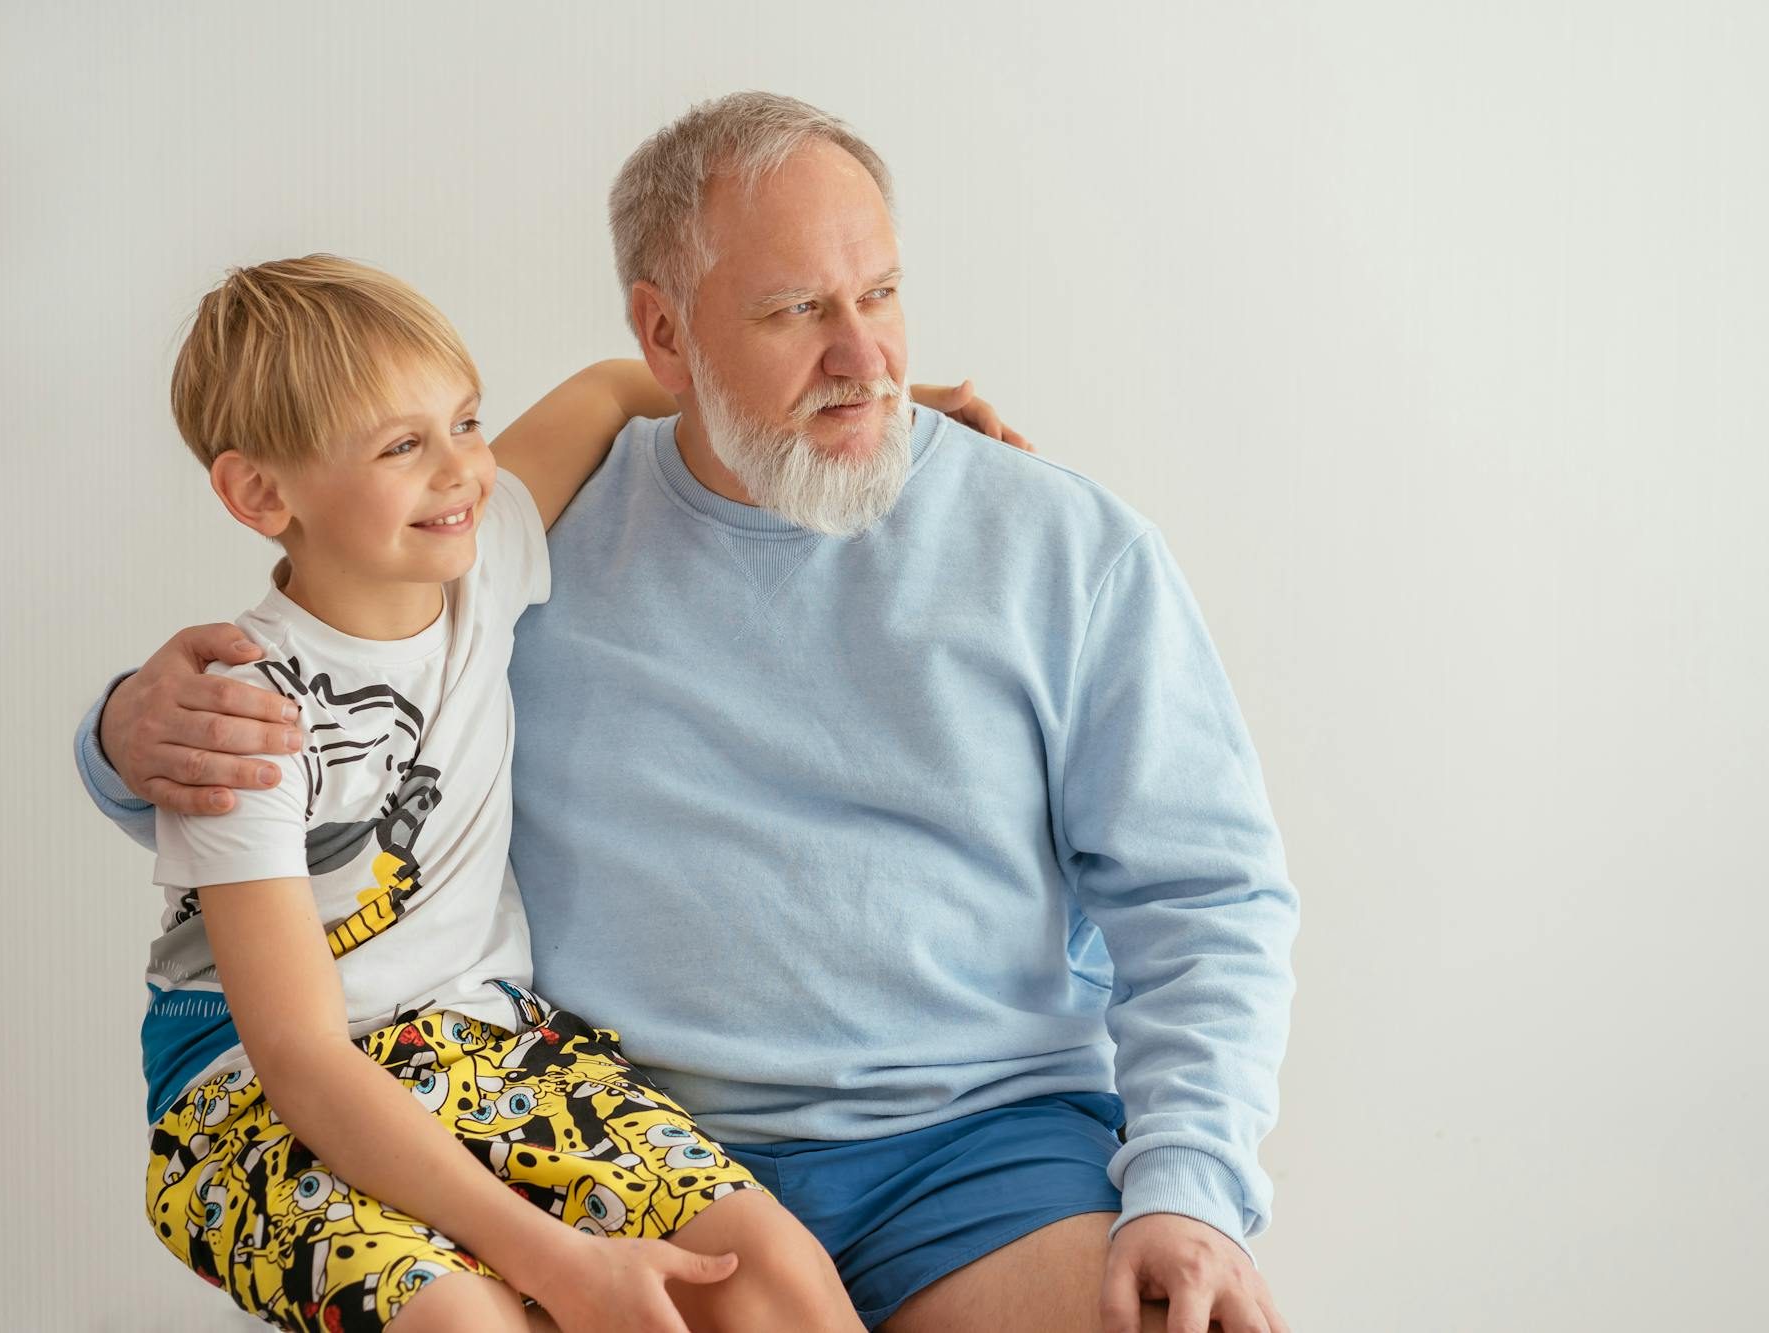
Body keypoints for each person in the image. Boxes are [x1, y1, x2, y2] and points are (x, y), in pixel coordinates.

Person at [80, 94, 1297, 1333]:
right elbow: (321, 735)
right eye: (791, 313)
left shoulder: (1061, 544)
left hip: (973, 1157)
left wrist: (1190, 1187)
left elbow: (1205, 894)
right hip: (600, 1141)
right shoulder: (516, 548)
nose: (861, 356)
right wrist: (128, 732)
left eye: (878, 295)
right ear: (664, 334)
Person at [131, 253, 877, 1333]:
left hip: (483, 1048)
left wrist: (873, 408)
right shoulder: (239, 722)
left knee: (769, 1269)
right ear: (259, 493)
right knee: (463, 1319)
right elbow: (299, 1054)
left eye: (467, 422)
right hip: (256, 1098)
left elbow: (617, 384)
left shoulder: (488, 555)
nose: (461, 471)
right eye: (402, 445)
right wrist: (555, 1259)